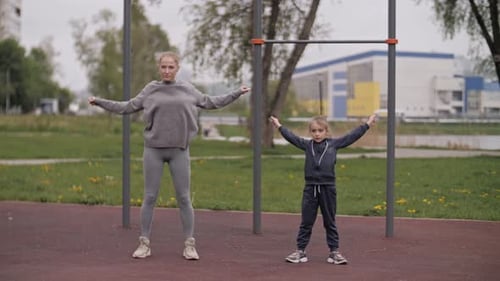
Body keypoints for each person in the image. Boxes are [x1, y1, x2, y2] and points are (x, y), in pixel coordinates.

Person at [88, 51, 250, 260]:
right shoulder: (151, 89)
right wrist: (99, 101)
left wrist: (236, 93)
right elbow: (127, 106)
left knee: (184, 198)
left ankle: (189, 244)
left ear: (177, 68)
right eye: (163, 67)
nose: (166, 70)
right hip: (153, 150)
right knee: (150, 197)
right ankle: (144, 243)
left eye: (170, 67)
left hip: (179, 151)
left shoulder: (187, 89)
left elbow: (211, 102)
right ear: (159, 68)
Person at [269, 114, 376, 264]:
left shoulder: (334, 144)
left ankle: (334, 252)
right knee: (306, 221)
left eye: (320, 130)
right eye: (314, 131)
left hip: (328, 188)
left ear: (326, 131)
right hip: (310, 189)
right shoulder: (307, 145)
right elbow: (291, 137)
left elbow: (352, 136)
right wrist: (279, 126)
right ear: (310, 132)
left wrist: (367, 124)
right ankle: (300, 251)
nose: (317, 134)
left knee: (329, 221)